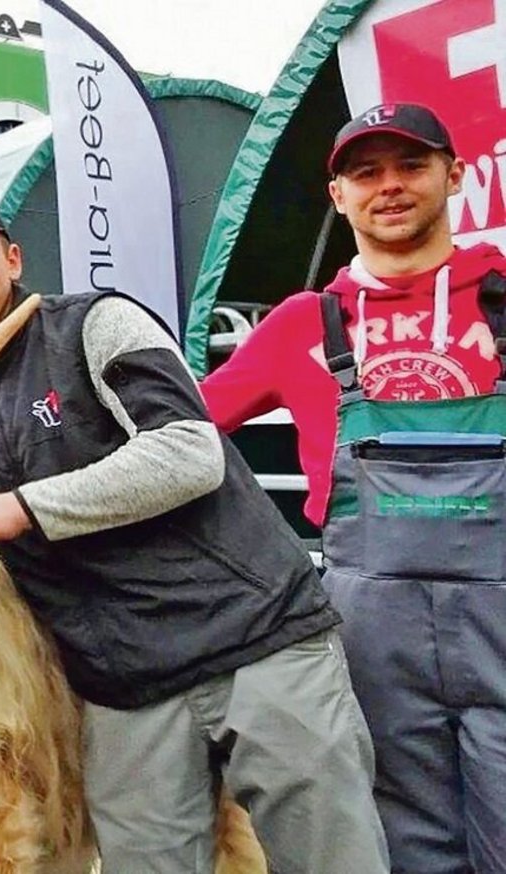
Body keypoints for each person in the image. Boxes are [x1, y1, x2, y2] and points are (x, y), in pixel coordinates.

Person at [0, 184, 389, 873]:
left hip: (256, 641)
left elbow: (189, 451)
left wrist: (22, 506)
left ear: (12, 258)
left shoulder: (95, 324)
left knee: (334, 861)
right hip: (125, 690)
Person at [202, 103, 506, 874]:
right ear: (338, 196)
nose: (390, 186)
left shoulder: (501, 300)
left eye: (411, 165)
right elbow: (178, 434)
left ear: (455, 175)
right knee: (403, 842)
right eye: (365, 172)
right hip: (373, 634)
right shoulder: (304, 323)